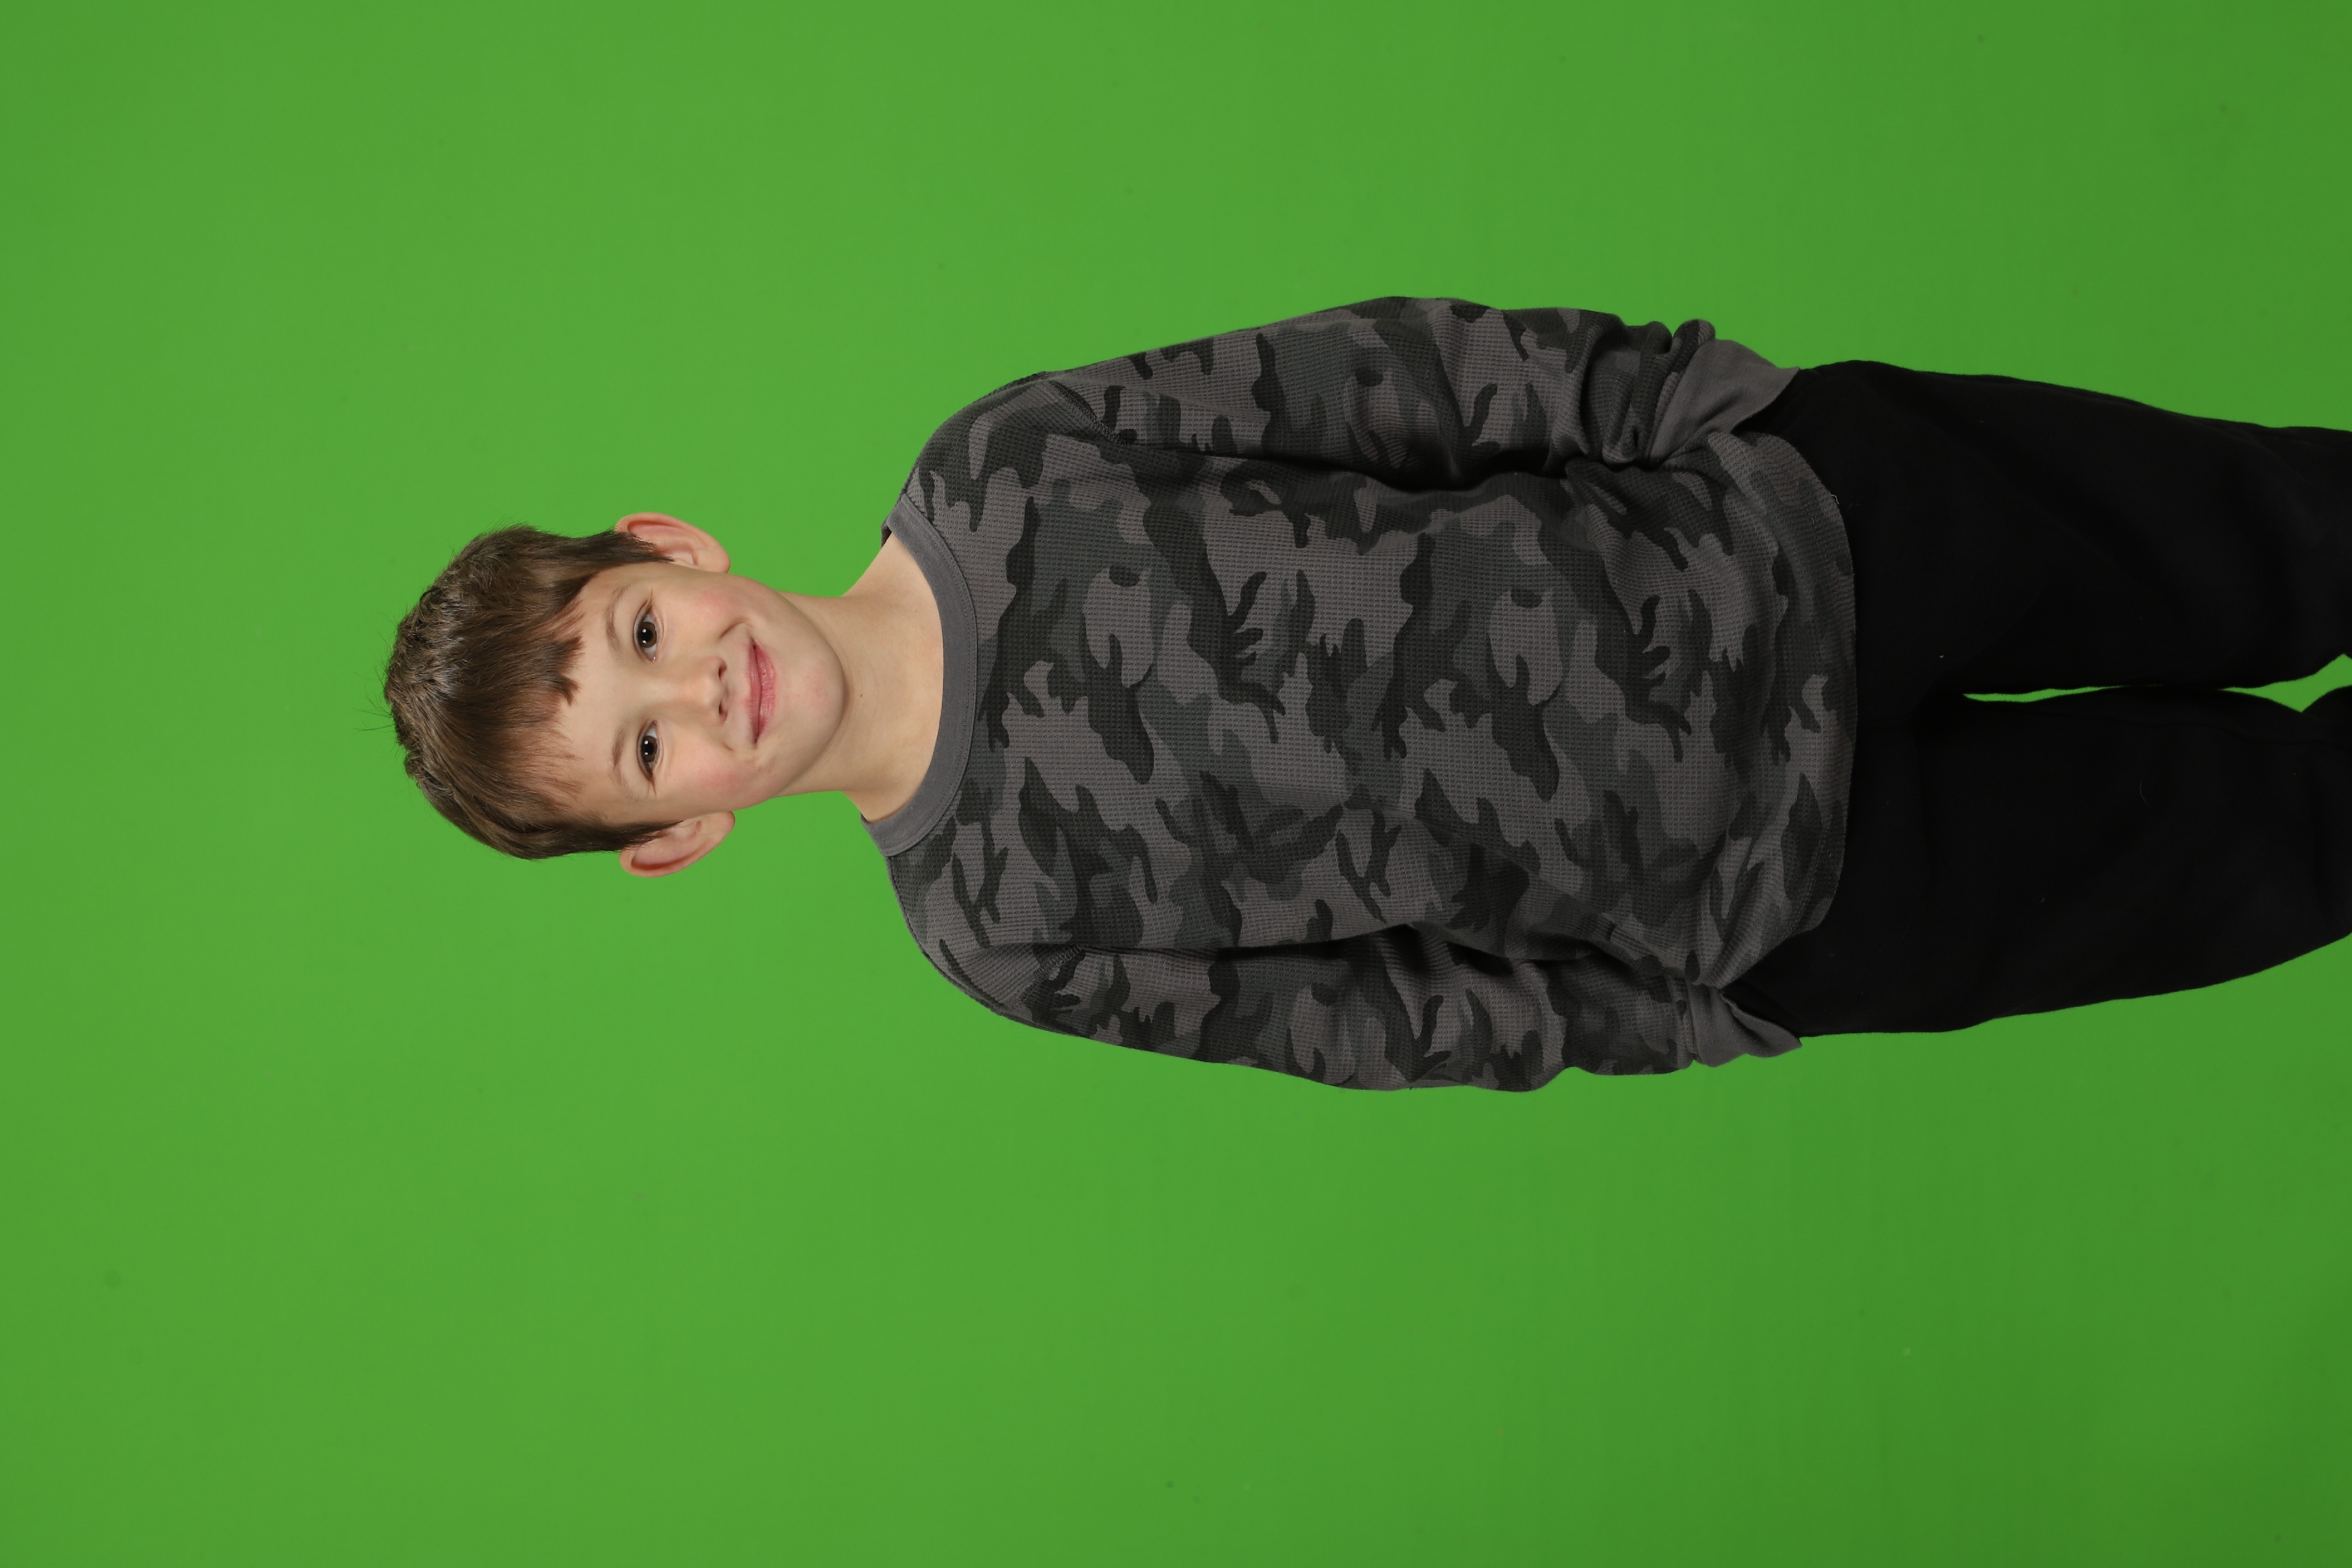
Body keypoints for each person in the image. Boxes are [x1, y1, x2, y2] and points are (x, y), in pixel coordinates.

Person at [383, 297, 2352, 1091]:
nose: (699, 691)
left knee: (2291, 531)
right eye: (648, 751)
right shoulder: (995, 929)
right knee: (2296, 846)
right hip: (1798, 898)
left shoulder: (1002, 469)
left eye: (641, 631)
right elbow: (1381, 1020)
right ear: (679, 835)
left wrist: (1702, 408)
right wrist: (1706, 1007)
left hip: (1808, 534)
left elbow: (1381, 385)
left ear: (671, 544)